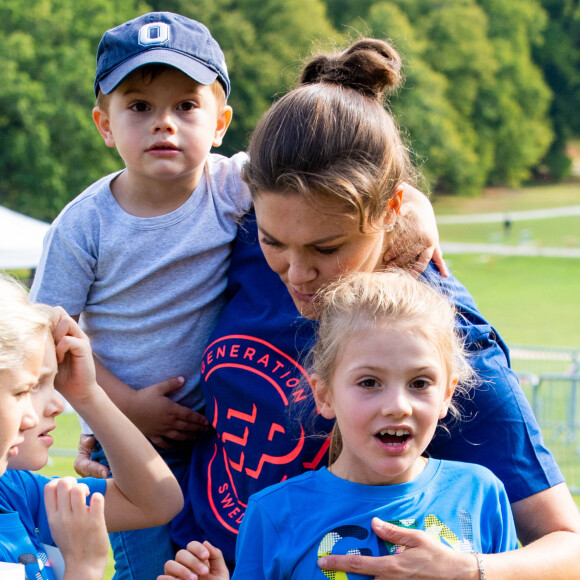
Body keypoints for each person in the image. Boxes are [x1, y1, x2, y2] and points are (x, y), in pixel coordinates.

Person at [161, 37, 580, 579]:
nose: (296, 272)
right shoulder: (256, 233)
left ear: (391, 211)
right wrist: (121, 417)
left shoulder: (435, 334)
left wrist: (469, 570)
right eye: (274, 242)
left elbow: (567, 545)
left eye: (327, 249)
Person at [29, 10, 253, 578]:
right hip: (125, 441)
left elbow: (320, 170)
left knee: (216, 564)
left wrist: (413, 202)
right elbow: (45, 341)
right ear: (105, 125)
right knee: (154, 568)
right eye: (139, 107)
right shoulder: (84, 226)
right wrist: (126, 406)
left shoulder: (231, 186)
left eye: (186, 105)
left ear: (221, 121)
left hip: (221, 435)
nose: (164, 124)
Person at [160, 271, 519, 579]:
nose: (397, 406)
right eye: (369, 383)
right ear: (324, 395)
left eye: (420, 383)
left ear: (446, 394)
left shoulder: (481, 494)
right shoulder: (273, 513)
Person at [0, 273, 183, 579]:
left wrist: (88, 395)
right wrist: (84, 567)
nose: (58, 404)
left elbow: (158, 501)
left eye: (53, 380)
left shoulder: (15, 490)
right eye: (28, 388)